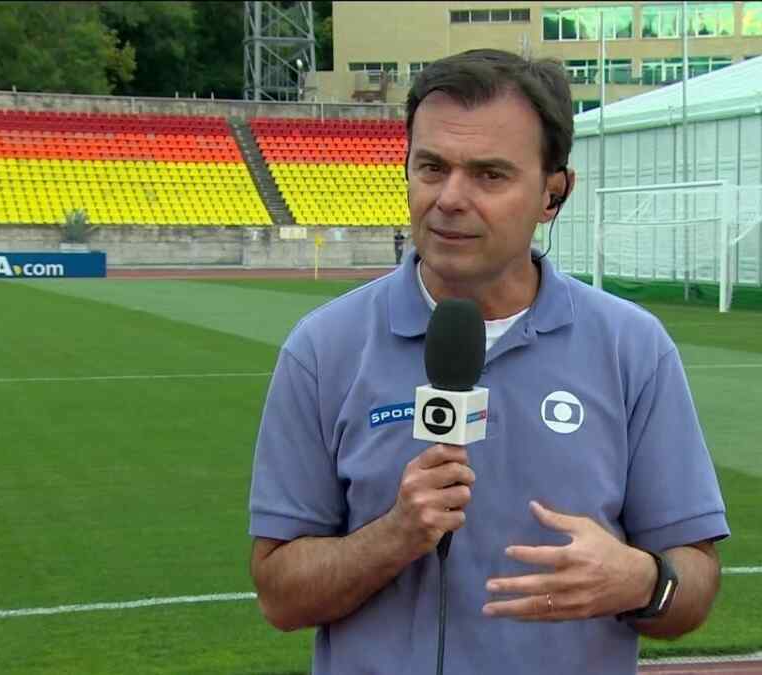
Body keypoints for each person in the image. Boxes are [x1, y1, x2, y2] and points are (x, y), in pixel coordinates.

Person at [248, 48, 729, 675]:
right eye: (432, 167)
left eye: (489, 175)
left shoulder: (632, 348)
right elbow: (279, 596)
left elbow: (694, 581)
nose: (450, 197)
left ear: (553, 194)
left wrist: (643, 579)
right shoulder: (322, 349)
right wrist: (394, 535)